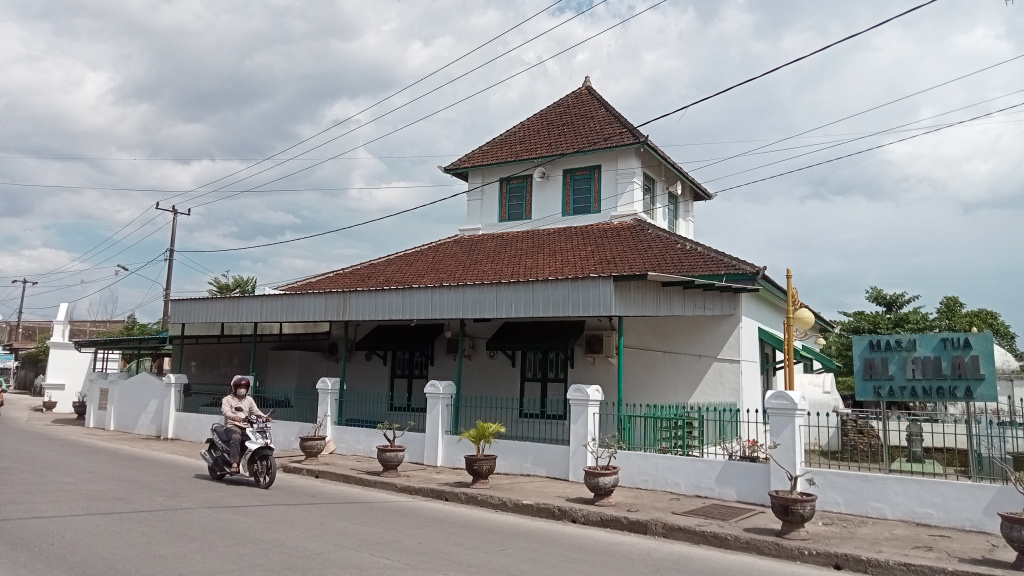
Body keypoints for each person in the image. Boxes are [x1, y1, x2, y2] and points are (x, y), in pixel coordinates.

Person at [221, 375, 271, 474]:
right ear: (235, 388)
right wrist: (234, 417)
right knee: (236, 437)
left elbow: (256, 411)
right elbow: (226, 411)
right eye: (240, 387)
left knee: (255, 440)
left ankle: (250, 461)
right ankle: (234, 463)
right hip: (232, 425)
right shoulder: (227, 399)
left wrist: (264, 417)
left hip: (247, 426)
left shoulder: (249, 399)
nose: (242, 390)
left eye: (244, 388)